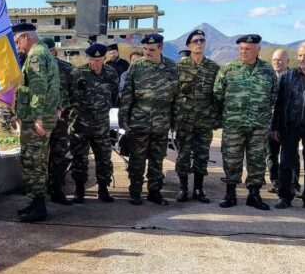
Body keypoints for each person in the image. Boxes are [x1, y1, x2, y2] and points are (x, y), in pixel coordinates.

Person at [214, 34, 278, 210]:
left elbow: (273, 96)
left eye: (248, 49)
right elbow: (218, 95)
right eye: (241, 49)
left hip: (258, 125)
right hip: (234, 124)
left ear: (258, 49)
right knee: (231, 159)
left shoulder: (267, 70)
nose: (243, 52)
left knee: (257, 160)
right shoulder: (228, 69)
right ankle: (230, 193)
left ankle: (254, 195)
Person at [118, 33, 178, 205]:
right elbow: (127, 95)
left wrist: (174, 122)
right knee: (137, 160)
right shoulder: (136, 67)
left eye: (151, 49)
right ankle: (135, 192)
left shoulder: (172, 67)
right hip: (139, 121)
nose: (147, 53)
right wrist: (124, 120)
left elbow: (175, 96)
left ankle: (154, 192)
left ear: (161, 48)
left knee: (157, 161)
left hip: (161, 121)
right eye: (145, 49)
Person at [11, 24, 60, 222]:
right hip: (39, 115)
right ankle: (34, 202)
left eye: (17, 41)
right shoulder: (45, 53)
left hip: (36, 119)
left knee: (33, 163)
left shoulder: (36, 55)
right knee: (37, 161)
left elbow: (38, 89)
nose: (17, 46)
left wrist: (38, 117)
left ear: (24, 37)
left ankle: (38, 206)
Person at [271, 42, 305, 212]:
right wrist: (275, 127)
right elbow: (279, 104)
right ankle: (285, 196)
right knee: (286, 162)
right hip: (289, 126)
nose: (302, 58)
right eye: (300, 55)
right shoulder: (288, 76)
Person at [68, 43, 119, 203]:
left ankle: (103, 189)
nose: (94, 63)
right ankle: (80, 189)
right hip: (80, 124)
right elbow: (70, 96)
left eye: (97, 60)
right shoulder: (78, 73)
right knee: (80, 158)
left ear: (104, 58)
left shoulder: (111, 73)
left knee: (104, 158)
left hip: (101, 125)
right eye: (91, 59)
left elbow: (115, 96)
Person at [174, 29, 220, 203]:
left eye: (202, 40)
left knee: (202, 155)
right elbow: (174, 94)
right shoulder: (180, 67)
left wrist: (216, 119)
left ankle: (199, 190)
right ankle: (183, 189)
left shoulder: (213, 68)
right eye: (195, 41)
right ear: (188, 45)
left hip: (204, 119)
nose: (199, 43)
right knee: (183, 154)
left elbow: (217, 95)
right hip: (184, 118)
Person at [42, 37, 74, 205]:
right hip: (39, 121)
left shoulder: (67, 69)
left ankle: (56, 190)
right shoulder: (33, 68)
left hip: (60, 122)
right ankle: (37, 192)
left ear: (54, 51)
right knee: (39, 157)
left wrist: (64, 109)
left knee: (59, 155)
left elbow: (74, 94)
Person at [267, 49, 301, 194]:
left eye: (280, 59)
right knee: (271, 154)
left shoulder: (295, 77)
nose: (277, 62)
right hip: (270, 121)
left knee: (292, 155)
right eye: (274, 59)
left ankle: (294, 184)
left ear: (287, 61)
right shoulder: (267, 77)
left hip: (288, 123)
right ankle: (275, 182)